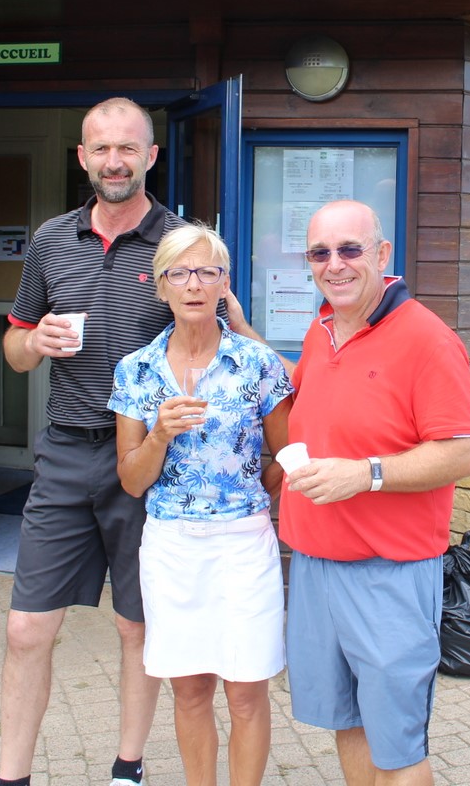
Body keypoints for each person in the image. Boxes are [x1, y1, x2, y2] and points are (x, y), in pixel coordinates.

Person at [0, 96, 191, 786]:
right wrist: (33, 342)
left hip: (149, 461)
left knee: (137, 628)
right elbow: (15, 347)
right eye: (101, 149)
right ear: (82, 157)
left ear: (151, 156)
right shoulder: (50, 240)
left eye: (128, 148)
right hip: (65, 454)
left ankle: (127, 768)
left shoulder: (180, 244)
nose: (115, 161)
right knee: (26, 629)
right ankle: (11, 777)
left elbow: (218, 337)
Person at [277, 199, 470, 786]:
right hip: (314, 564)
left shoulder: (428, 339)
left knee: (397, 745)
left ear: (382, 254)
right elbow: (307, 397)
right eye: (320, 253)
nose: (334, 264)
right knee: (348, 721)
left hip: (387, 573)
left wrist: (364, 474)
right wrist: (237, 332)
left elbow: (461, 452)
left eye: (350, 249)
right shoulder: (323, 329)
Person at [109, 223, 294, 786]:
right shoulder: (137, 370)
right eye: (180, 273)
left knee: (246, 691)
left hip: (242, 545)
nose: (194, 284)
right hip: (173, 547)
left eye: (207, 272)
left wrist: (254, 492)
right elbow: (132, 482)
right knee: (190, 691)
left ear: (224, 284)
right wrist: (159, 436)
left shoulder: (256, 364)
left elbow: (290, 454)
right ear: (160, 286)